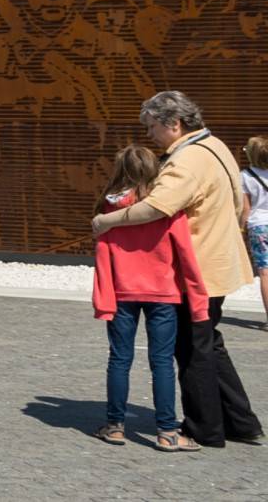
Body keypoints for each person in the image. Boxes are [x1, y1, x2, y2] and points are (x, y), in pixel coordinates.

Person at [91, 91, 262, 448]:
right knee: (209, 343)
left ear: (174, 123)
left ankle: (204, 428)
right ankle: (241, 422)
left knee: (191, 350)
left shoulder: (188, 160)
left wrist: (107, 221)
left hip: (197, 268)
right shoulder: (216, 145)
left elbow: (157, 205)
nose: (150, 135)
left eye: (153, 127)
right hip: (219, 259)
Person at [91, 144, 206, 451]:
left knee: (119, 359)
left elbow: (103, 261)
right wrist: (198, 301)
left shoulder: (108, 211)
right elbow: (186, 257)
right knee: (162, 363)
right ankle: (167, 432)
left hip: (121, 293)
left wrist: (102, 300)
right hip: (163, 293)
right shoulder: (168, 209)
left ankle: (115, 426)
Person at [244, 137, 268, 328]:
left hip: (258, 225)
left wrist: (240, 227)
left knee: (265, 274)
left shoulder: (245, 175)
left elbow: (245, 208)